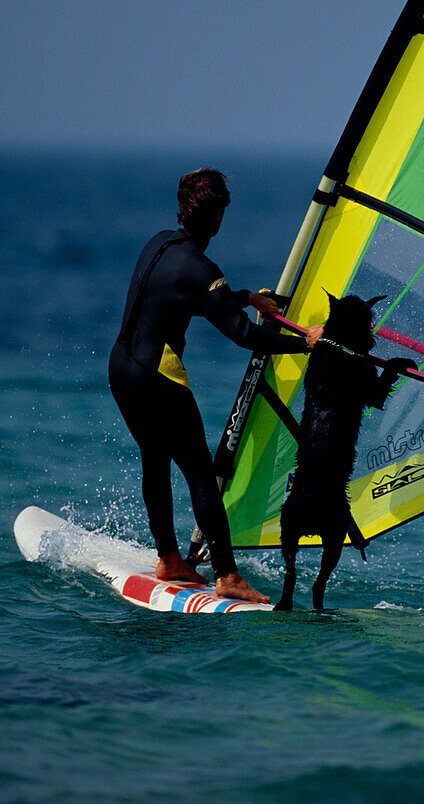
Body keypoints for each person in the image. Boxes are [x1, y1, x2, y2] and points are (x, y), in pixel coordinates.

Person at [109, 167, 322, 603]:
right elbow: (244, 335)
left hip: (122, 368)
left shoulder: (161, 243)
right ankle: (226, 574)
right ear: (217, 217)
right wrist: (305, 343)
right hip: (157, 376)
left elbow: (191, 294)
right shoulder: (202, 267)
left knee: (155, 458)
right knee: (200, 473)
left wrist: (246, 297)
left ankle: (169, 558)